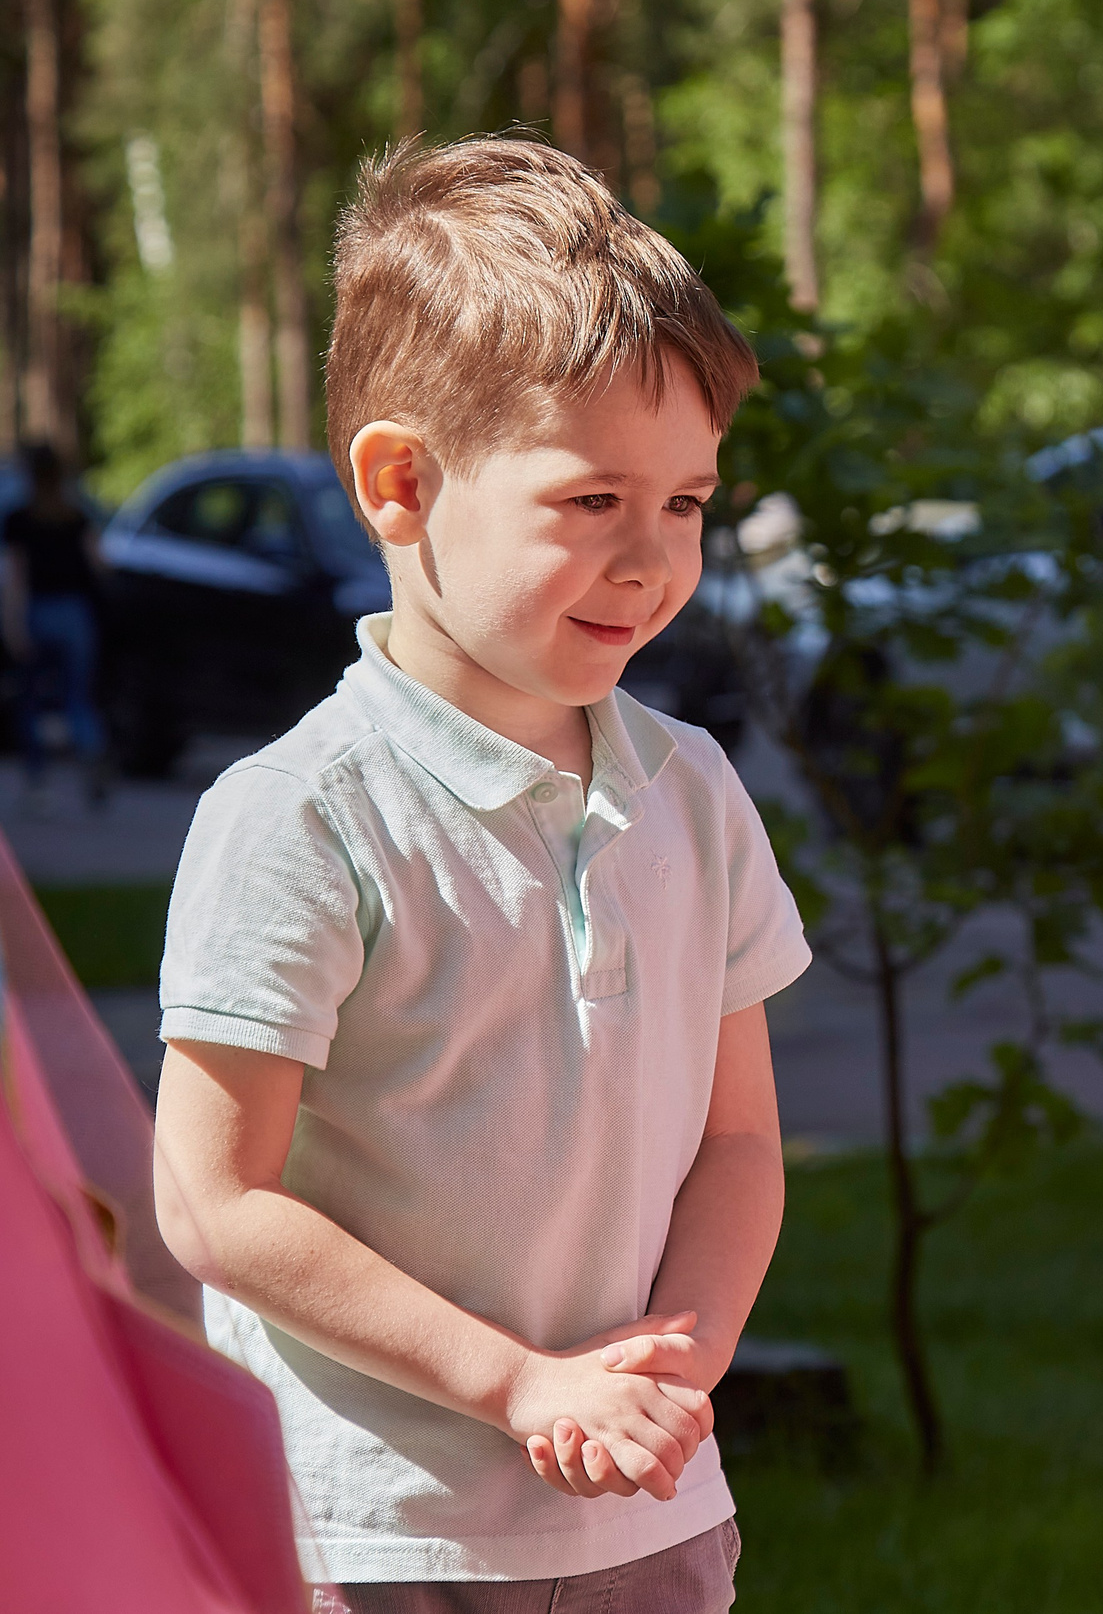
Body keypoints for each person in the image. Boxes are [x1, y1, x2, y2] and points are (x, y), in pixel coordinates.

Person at [150, 138, 806, 1612]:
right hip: (380, 1543)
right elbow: (210, 1196)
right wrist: (517, 1384)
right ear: (401, 482)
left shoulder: (692, 791)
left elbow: (742, 1144)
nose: (650, 561)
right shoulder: (298, 817)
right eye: (590, 502)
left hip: (652, 1526)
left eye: (686, 504)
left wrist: (667, 1373)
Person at [3, 440, 111, 807]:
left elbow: (16, 578)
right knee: (78, 697)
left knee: (31, 700)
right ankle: (92, 754)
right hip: (75, 613)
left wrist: (14, 625)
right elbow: (100, 564)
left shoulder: (20, 518)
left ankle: (38, 784)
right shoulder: (75, 516)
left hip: (38, 609)